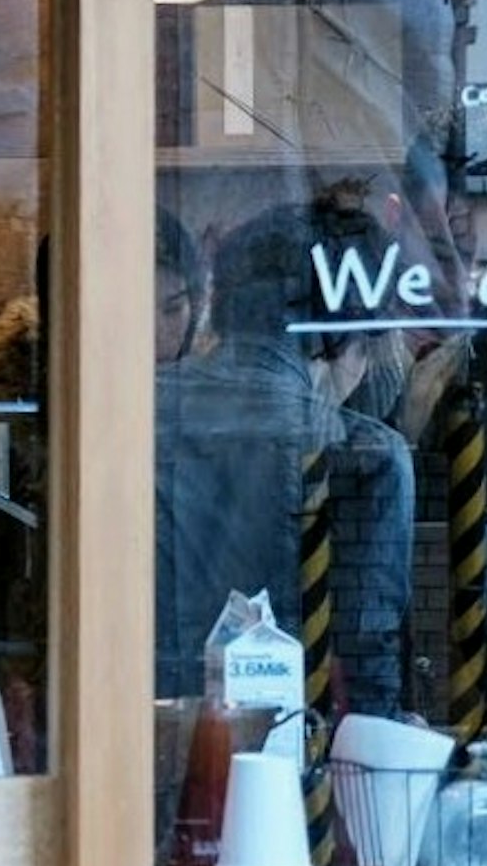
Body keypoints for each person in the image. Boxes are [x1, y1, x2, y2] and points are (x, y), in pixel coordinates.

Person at [0, 213, 208, 770]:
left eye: (175, 307)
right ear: (77, 308)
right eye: (139, 308)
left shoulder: (200, 420)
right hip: (36, 732)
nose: (161, 334)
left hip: (175, 725)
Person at [152, 188, 417, 717]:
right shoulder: (366, 456)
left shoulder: (133, 413)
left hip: (126, 737)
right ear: (343, 342)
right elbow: (368, 654)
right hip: (285, 750)